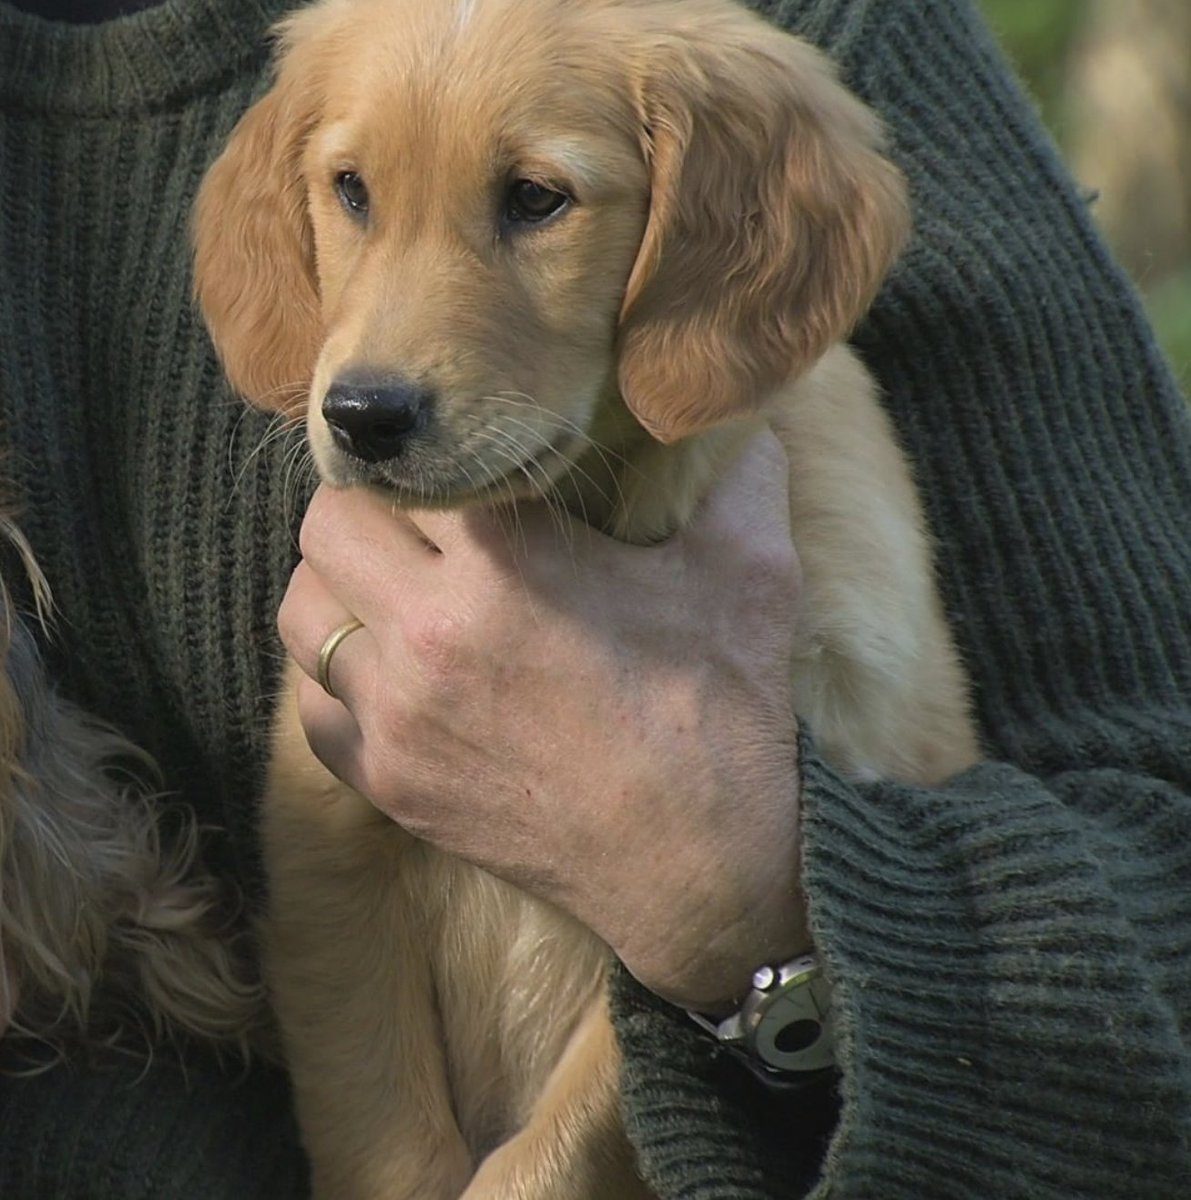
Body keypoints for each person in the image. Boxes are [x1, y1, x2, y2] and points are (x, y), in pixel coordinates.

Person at [1, 0, 1188, 1196]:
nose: (374, 370)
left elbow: (1148, 850)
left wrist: (746, 918)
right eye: (350, 191)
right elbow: (331, 876)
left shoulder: (809, 60)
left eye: (535, 200)